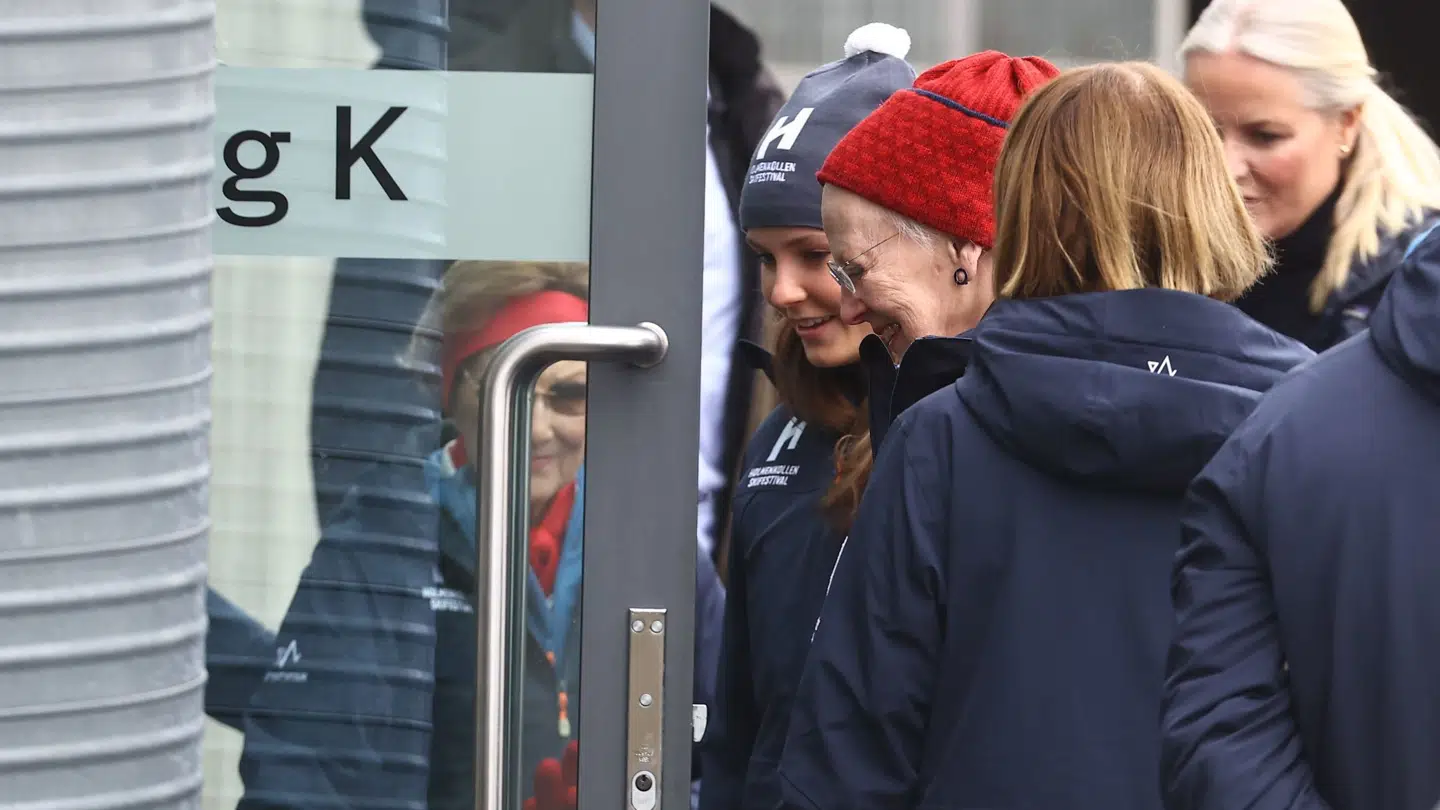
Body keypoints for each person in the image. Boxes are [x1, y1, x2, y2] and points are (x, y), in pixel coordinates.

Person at [779, 62, 1316, 810]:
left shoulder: (943, 437)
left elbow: (847, 760)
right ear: (1210, 201)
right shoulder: (1318, 431)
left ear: (1018, 212)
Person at [238, 260, 727, 810]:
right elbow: (299, 772)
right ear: (452, 394)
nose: (538, 428)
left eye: (568, 396)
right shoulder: (381, 542)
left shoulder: (648, 536)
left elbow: (730, 751)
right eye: (509, 389)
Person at [1160, 194, 1440, 808]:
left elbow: (1221, 735)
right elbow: (1224, 735)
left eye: (1263, 133)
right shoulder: (1281, 433)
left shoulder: (1282, 427)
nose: (1231, 170)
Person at [697, 23, 915, 810]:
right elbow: (739, 733)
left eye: (814, 254)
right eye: (764, 258)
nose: (782, 292)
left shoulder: (975, 435)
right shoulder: (778, 441)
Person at [813, 50, 1058, 450]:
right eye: (838, 274)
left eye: (856, 271)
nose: (848, 311)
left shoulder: (1035, 431)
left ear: (965, 246)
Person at [1182, 0, 1440, 351]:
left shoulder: (1422, 284)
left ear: (1346, 125)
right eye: (1204, 133)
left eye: (1265, 136)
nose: (1226, 168)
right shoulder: (1144, 248)